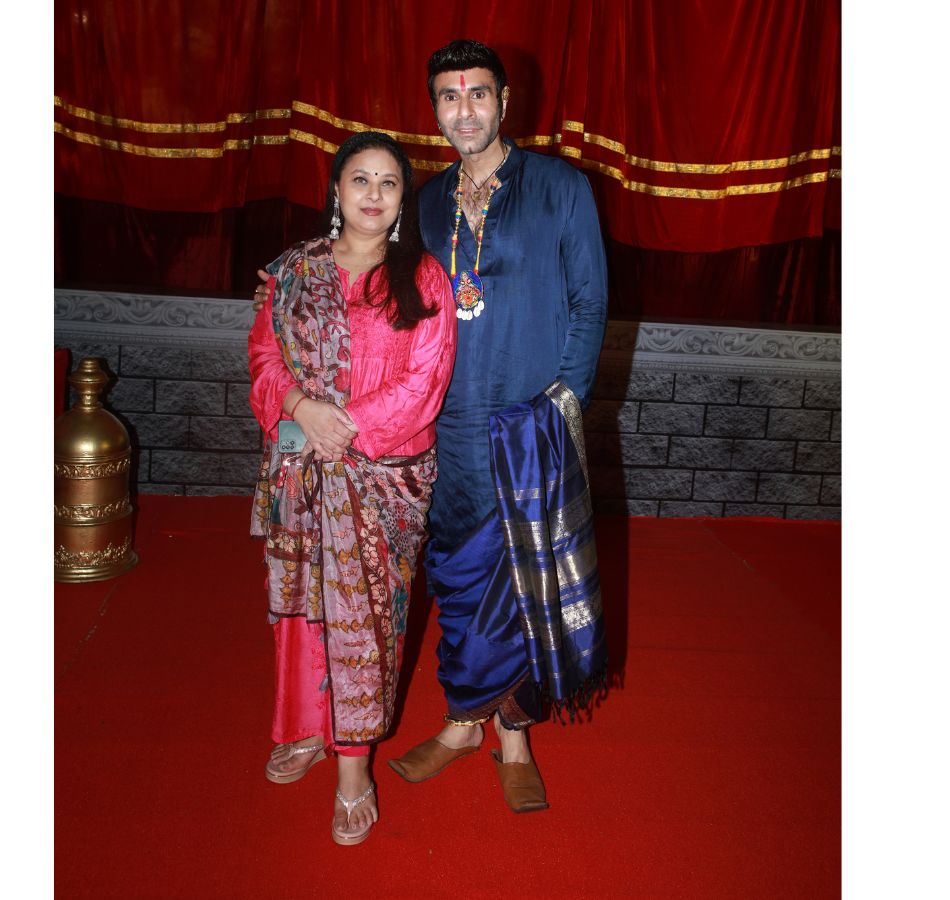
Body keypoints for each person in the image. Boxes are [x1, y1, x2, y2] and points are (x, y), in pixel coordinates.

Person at [384, 39, 609, 813]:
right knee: (457, 570)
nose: (465, 110)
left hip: (530, 418)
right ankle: (460, 721)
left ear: (505, 101)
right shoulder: (425, 202)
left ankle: (512, 735)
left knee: (523, 580)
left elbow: (589, 301)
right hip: (449, 422)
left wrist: (563, 401)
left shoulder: (560, 188)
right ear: (435, 109)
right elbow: (388, 294)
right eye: (449, 96)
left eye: (478, 93)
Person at [247, 131, 456, 845]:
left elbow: (425, 382)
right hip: (300, 466)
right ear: (337, 190)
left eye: (388, 182)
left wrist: (343, 429)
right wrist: (301, 409)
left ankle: (353, 766)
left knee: (364, 623)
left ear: (404, 199)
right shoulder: (293, 270)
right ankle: (305, 726)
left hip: (382, 476)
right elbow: (264, 355)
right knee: (302, 608)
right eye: (359, 179)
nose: (373, 193)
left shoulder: (422, 276)